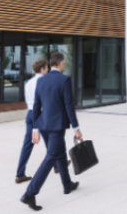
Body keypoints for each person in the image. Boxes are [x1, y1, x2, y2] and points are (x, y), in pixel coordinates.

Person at [20, 53, 83, 211]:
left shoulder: (41, 80)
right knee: (50, 158)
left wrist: (35, 128)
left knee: (60, 153)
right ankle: (29, 194)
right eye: (64, 63)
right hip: (57, 125)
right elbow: (69, 106)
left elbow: (36, 105)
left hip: (44, 123)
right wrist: (76, 128)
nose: (65, 65)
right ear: (60, 64)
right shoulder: (65, 79)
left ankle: (67, 184)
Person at [15, 59, 50, 184]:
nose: (48, 70)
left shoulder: (28, 83)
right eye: (47, 68)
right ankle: (58, 165)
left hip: (30, 114)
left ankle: (20, 174)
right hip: (40, 115)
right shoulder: (44, 82)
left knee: (27, 145)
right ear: (42, 69)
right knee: (52, 141)